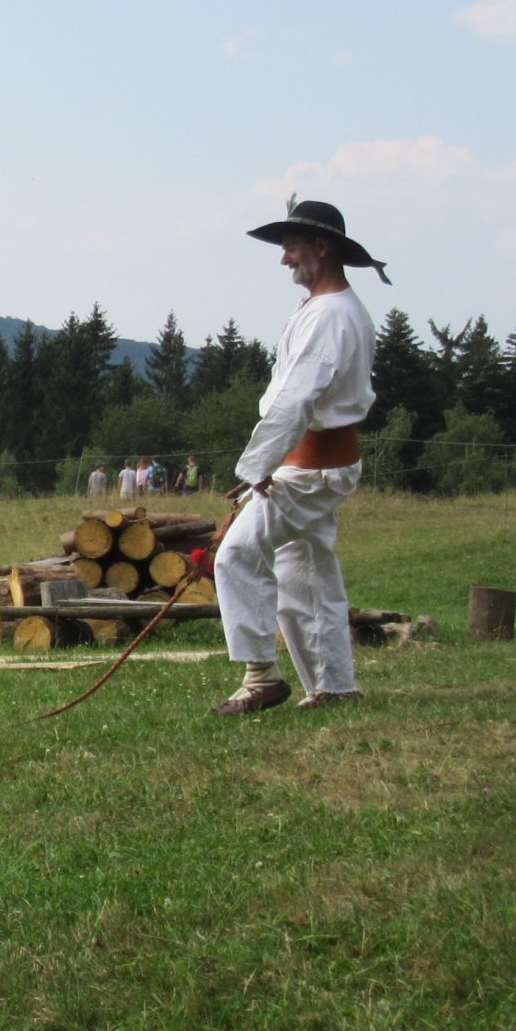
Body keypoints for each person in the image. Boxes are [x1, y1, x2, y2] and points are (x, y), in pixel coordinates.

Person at [213, 199, 388, 716]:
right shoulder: (328, 309)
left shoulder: (332, 316)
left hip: (311, 469)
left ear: (321, 247)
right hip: (312, 464)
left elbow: (296, 400)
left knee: (236, 554)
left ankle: (260, 676)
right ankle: (333, 685)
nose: (284, 259)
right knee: (305, 570)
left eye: (291, 247)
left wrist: (256, 468)